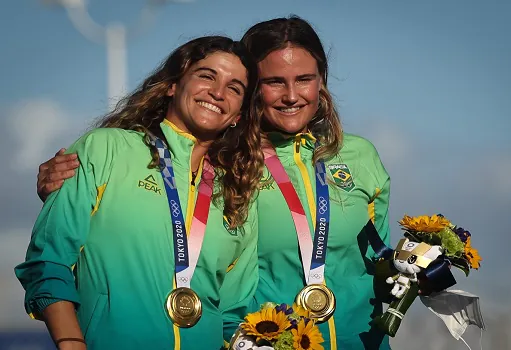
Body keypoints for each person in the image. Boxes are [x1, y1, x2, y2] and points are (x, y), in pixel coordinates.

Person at [36, 16, 392, 349]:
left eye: (304, 79)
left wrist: (420, 268)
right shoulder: (235, 169)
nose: (291, 95)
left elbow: (381, 263)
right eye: (273, 82)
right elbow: (56, 254)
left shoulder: (352, 159)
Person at [16, 36, 263, 350]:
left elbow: (234, 310)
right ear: (172, 85)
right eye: (206, 75)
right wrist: (70, 341)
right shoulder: (105, 149)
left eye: (234, 88)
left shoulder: (237, 191)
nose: (218, 92)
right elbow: (49, 261)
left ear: (238, 114)